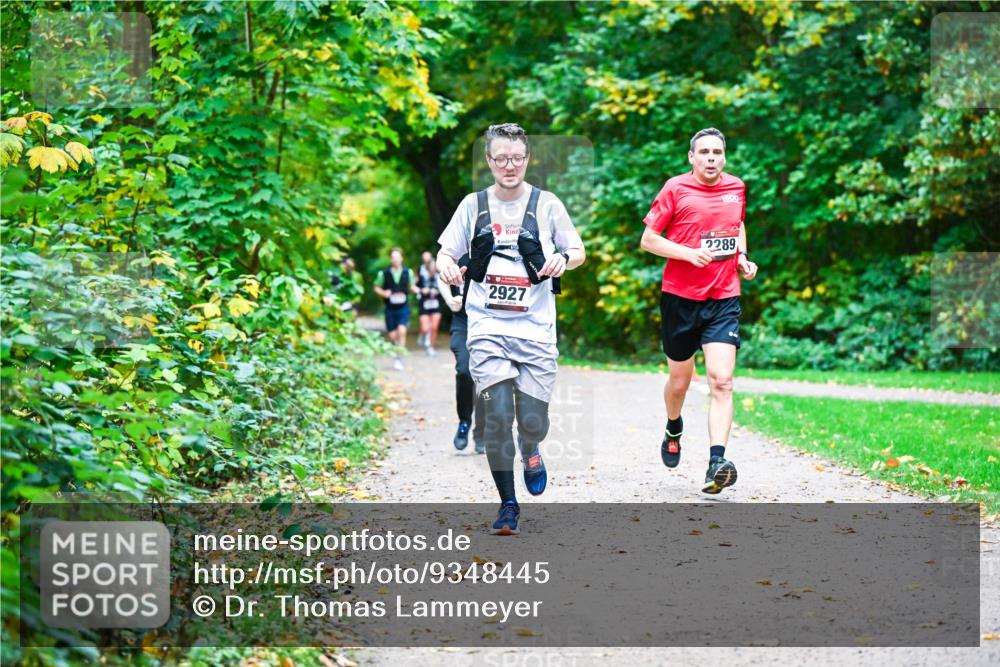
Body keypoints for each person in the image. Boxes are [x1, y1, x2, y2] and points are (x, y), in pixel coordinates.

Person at [438, 123, 585, 535]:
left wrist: (564, 259)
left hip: (536, 329)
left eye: (516, 158)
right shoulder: (473, 205)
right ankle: (507, 505)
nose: (509, 166)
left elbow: (578, 250)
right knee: (499, 416)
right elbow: (444, 255)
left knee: (532, 422)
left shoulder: (547, 204)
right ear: (489, 161)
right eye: (500, 158)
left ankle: (532, 447)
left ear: (527, 159)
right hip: (486, 325)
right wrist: (447, 266)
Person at [639, 127, 758, 494]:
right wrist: (688, 253)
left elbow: (736, 225)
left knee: (721, 380)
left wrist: (741, 256)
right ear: (691, 157)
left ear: (724, 156)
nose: (711, 158)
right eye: (703, 152)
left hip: (723, 298)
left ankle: (716, 463)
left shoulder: (736, 188)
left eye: (717, 152)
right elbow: (648, 240)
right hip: (680, 299)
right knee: (680, 382)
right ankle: (673, 426)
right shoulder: (675, 188)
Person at [438, 256, 486, 454]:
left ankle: (482, 432)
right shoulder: (457, 251)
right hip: (462, 322)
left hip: (488, 322)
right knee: (465, 371)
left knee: (487, 377)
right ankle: (464, 421)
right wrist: (449, 299)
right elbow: (441, 277)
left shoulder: (496, 246)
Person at [372, 248, 419, 371]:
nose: (396, 259)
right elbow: (376, 287)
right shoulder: (384, 273)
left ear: (402, 258)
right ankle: (396, 352)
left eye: (398, 257)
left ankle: (399, 359)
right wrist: (384, 292)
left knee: (402, 331)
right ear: (390, 259)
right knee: (393, 336)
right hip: (390, 309)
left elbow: (411, 285)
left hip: (403, 307)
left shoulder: (407, 272)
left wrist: (415, 289)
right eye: (393, 257)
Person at [416, 254, 443, 356]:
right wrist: (422, 290)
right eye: (430, 267)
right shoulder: (421, 276)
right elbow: (413, 286)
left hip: (436, 303)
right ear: (427, 268)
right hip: (424, 303)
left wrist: (438, 291)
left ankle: (431, 347)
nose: (432, 269)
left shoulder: (440, 275)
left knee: (434, 327)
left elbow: (448, 288)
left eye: (434, 267)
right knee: (425, 328)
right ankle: (423, 335)